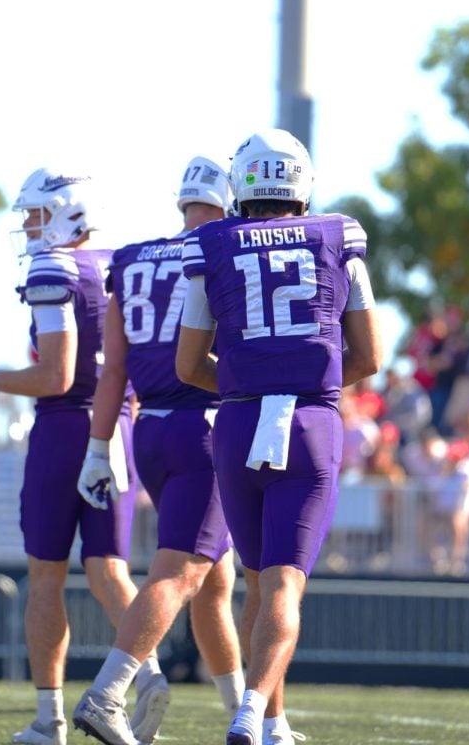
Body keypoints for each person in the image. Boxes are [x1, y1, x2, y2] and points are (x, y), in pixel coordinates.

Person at [174, 129, 381, 745]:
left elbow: (189, 366)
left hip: (238, 421)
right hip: (311, 423)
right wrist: (297, 382)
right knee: (286, 583)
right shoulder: (338, 239)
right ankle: (254, 711)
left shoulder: (213, 244)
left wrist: (248, 384)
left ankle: (271, 722)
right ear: (301, 182)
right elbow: (367, 356)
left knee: (258, 582)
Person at [73, 156, 243, 745]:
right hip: (203, 425)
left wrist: (100, 446)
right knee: (179, 573)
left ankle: (243, 714)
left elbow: (113, 367)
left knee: (213, 583)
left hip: (149, 431)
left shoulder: (134, 257)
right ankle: (107, 692)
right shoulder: (224, 249)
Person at [0, 169, 141, 745]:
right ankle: (147, 678)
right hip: (118, 424)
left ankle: (51, 719)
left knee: (46, 576)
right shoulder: (123, 264)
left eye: (35, 214)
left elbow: (55, 375)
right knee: (110, 571)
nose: (26, 225)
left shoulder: (54, 269)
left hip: (66, 428)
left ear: (68, 212)